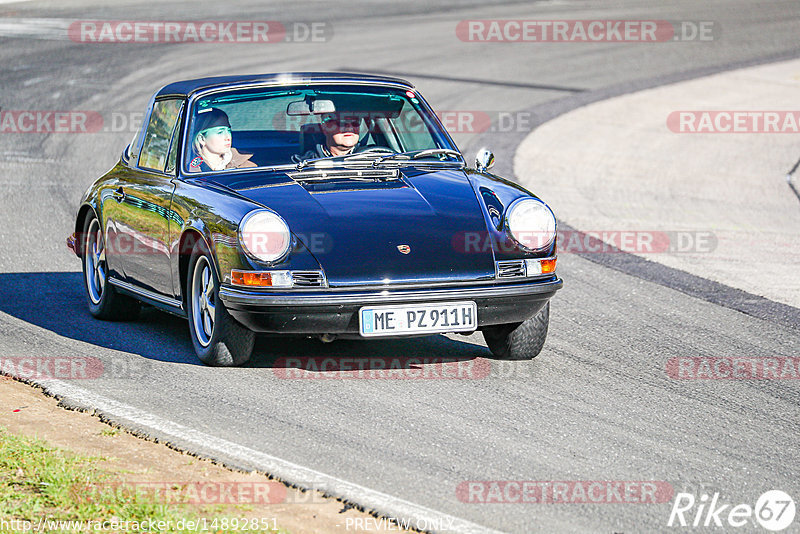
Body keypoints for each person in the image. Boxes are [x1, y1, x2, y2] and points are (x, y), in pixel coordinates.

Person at [188, 108, 256, 172]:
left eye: (229, 131)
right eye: (220, 132)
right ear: (202, 139)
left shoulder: (247, 167)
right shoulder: (189, 171)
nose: (228, 137)